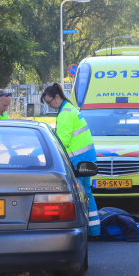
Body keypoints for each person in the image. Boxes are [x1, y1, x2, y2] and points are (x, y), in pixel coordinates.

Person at [42, 83, 101, 239]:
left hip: (77, 161)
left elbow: (61, 141)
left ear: (56, 97)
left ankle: (88, 231)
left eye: (49, 102)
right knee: (86, 193)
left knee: (78, 195)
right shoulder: (70, 109)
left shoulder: (65, 114)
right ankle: (94, 230)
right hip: (85, 159)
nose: (49, 106)